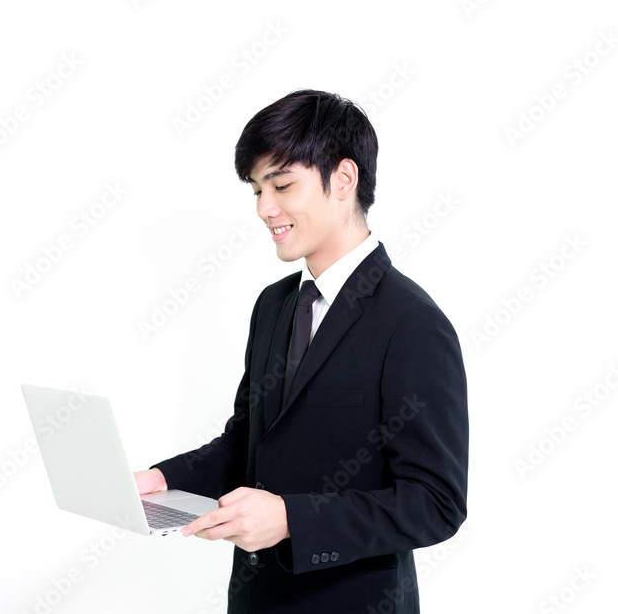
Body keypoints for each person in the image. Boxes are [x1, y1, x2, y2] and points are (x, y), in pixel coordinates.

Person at [134, 89, 468, 613]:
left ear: (343, 179)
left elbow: (436, 504)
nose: (266, 209)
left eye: (282, 184)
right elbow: (247, 442)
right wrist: (161, 480)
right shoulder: (276, 305)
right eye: (256, 190)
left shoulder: (412, 324)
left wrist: (291, 518)